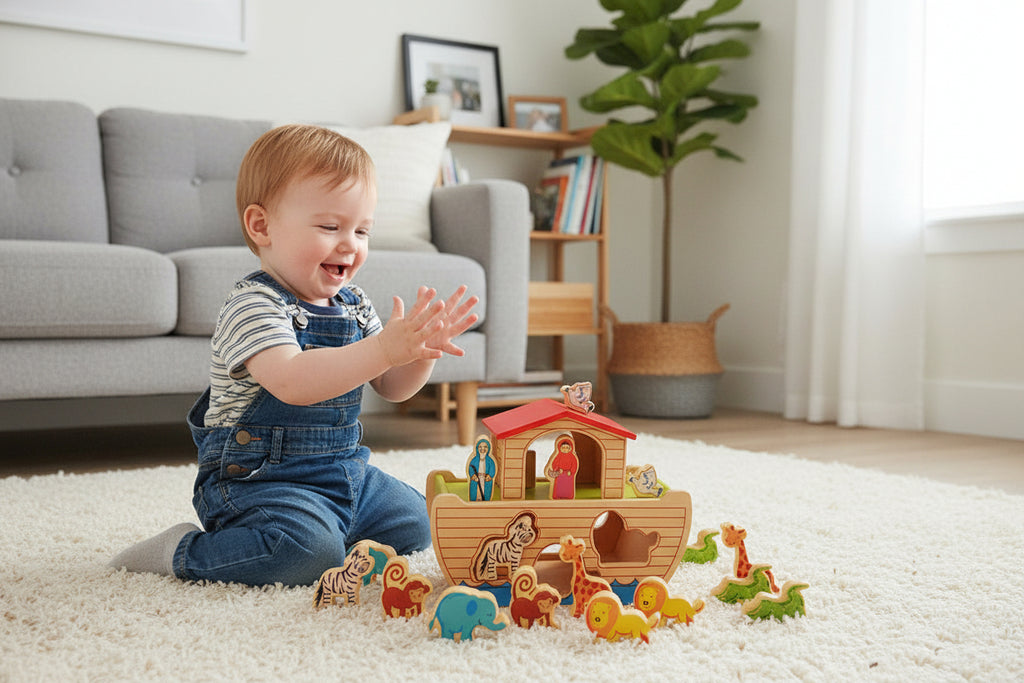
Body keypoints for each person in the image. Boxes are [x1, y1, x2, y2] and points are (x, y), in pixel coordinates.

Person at [109, 124, 478, 586]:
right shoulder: (253, 304)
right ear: (261, 226)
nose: (350, 244)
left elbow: (393, 387)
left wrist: (419, 352)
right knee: (306, 555)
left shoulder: (354, 303)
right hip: (259, 481)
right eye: (330, 226)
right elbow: (294, 381)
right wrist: (383, 347)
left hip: (344, 472)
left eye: (362, 230)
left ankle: (327, 525)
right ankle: (182, 551)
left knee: (418, 524)